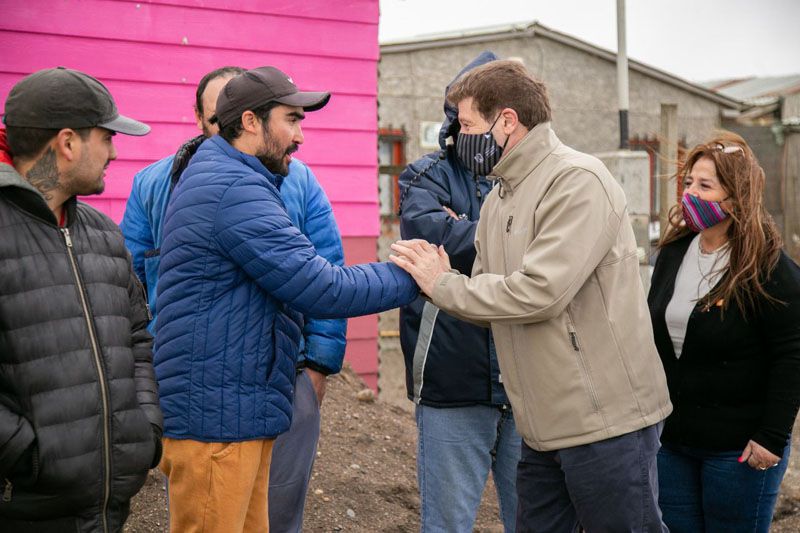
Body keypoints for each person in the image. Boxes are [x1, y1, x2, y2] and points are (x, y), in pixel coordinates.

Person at [389, 60, 672, 532]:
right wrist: (454, 284)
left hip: (604, 422)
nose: (457, 137)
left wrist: (442, 283)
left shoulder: (576, 181)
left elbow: (537, 293)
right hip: (541, 426)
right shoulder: (503, 196)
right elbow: (488, 291)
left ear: (506, 120)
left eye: (466, 124)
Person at [154, 66, 418, 533]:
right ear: (252, 122)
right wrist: (414, 275)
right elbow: (322, 286)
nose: (299, 136)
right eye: (291, 120)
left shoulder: (236, 178)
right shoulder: (234, 190)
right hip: (217, 423)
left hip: (236, 414)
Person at [119, 66, 346, 532]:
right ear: (208, 120)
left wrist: (318, 364)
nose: (299, 134)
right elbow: (133, 281)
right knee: (212, 508)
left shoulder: (296, 180)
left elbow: (326, 263)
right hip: (209, 396)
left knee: (271, 510)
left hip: (281, 376)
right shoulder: (165, 184)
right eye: (212, 117)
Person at [0, 67, 162, 532]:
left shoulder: (104, 234)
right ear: (68, 143)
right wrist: (26, 457)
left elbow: (137, 337)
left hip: (107, 511)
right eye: (107, 137)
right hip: (24, 509)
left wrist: (145, 429)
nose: (113, 152)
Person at [648, 132, 800, 532]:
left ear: (735, 198)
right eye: (688, 183)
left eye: (705, 186)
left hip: (739, 451)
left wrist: (772, 437)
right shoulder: (674, 253)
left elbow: (792, 355)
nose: (690, 194)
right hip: (674, 443)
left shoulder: (767, 267)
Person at [398, 51, 520, 532]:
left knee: (535, 520)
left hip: (526, 381)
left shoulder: (536, 179)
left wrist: (466, 231)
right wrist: (510, 235)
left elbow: (547, 250)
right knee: (447, 523)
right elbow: (431, 238)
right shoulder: (426, 175)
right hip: (452, 380)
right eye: (466, 120)